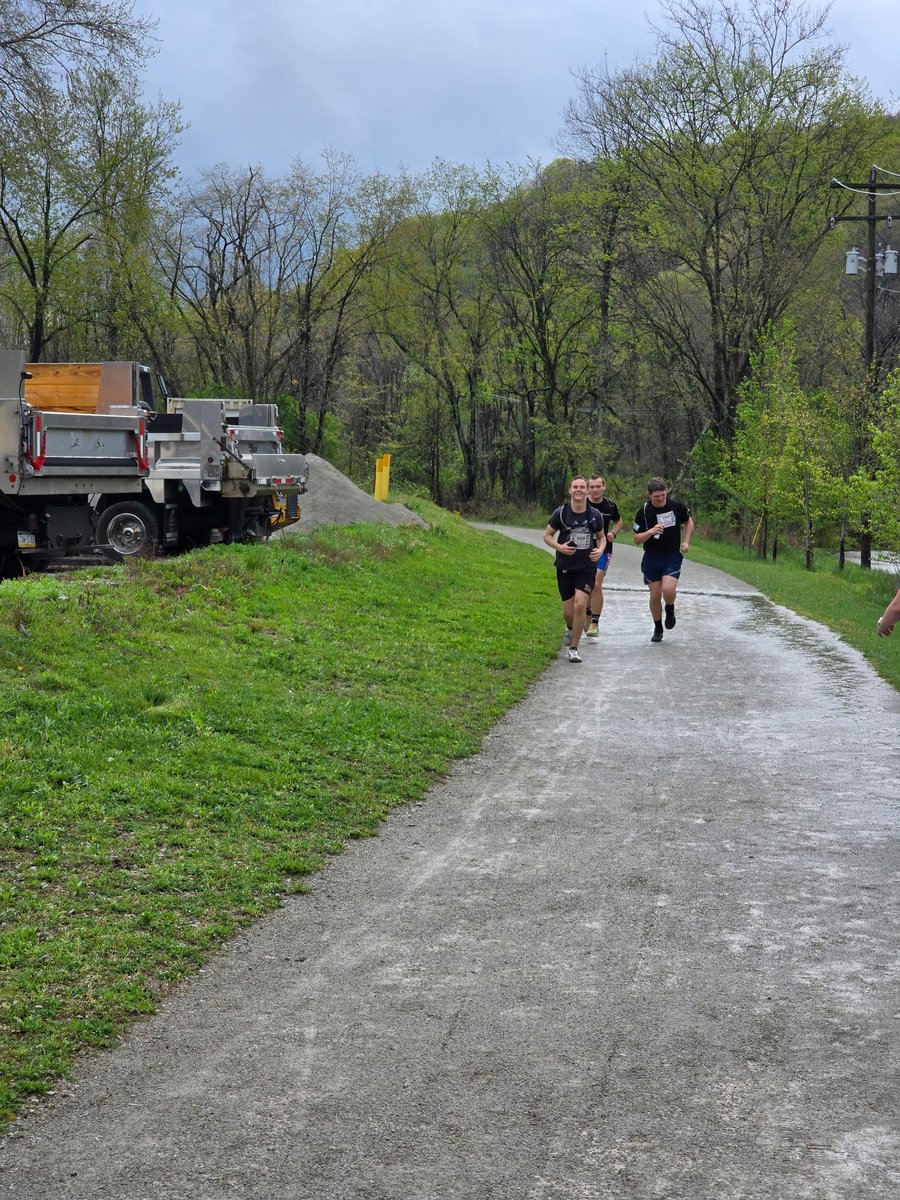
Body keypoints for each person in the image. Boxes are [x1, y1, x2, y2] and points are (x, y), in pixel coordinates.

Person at [544, 476, 606, 663]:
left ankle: (574, 648)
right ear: (570, 491)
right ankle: (571, 628)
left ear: (587, 491)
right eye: (575, 487)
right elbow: (547, 536)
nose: (578, 490)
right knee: (568, 613)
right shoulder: (561, 514)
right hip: (565, 566)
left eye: (582, 487)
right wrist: (560, 547)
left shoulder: (595, 515)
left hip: (586, 566)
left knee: (580, 604)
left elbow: (601, 537)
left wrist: (600, 550)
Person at [632, 477, 694, 643]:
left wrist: (686, 541)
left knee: (668, 590)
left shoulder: (676, 507)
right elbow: (637, 539)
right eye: (656, 496)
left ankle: (670, 608)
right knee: (655, 595)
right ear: (649, 495)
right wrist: (650, 531)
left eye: (663, 495)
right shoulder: (644, 511)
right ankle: (658, 627)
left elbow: (689, 522)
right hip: (651, 557)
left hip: (672, 556)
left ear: (667, 492)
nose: (660, 499)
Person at [584, 475, 623, 638]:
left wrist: (613, 533)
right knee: (585, 585)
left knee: (597, 584)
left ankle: (594, 623)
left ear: (603, 487)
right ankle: (586, 612)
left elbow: (618, 521)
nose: (595, 490)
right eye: (591, 487)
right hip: (583, 549)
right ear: (588, 488)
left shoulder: (610, 505)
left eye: (598, 486)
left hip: (603, 549)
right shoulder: (581, 503)